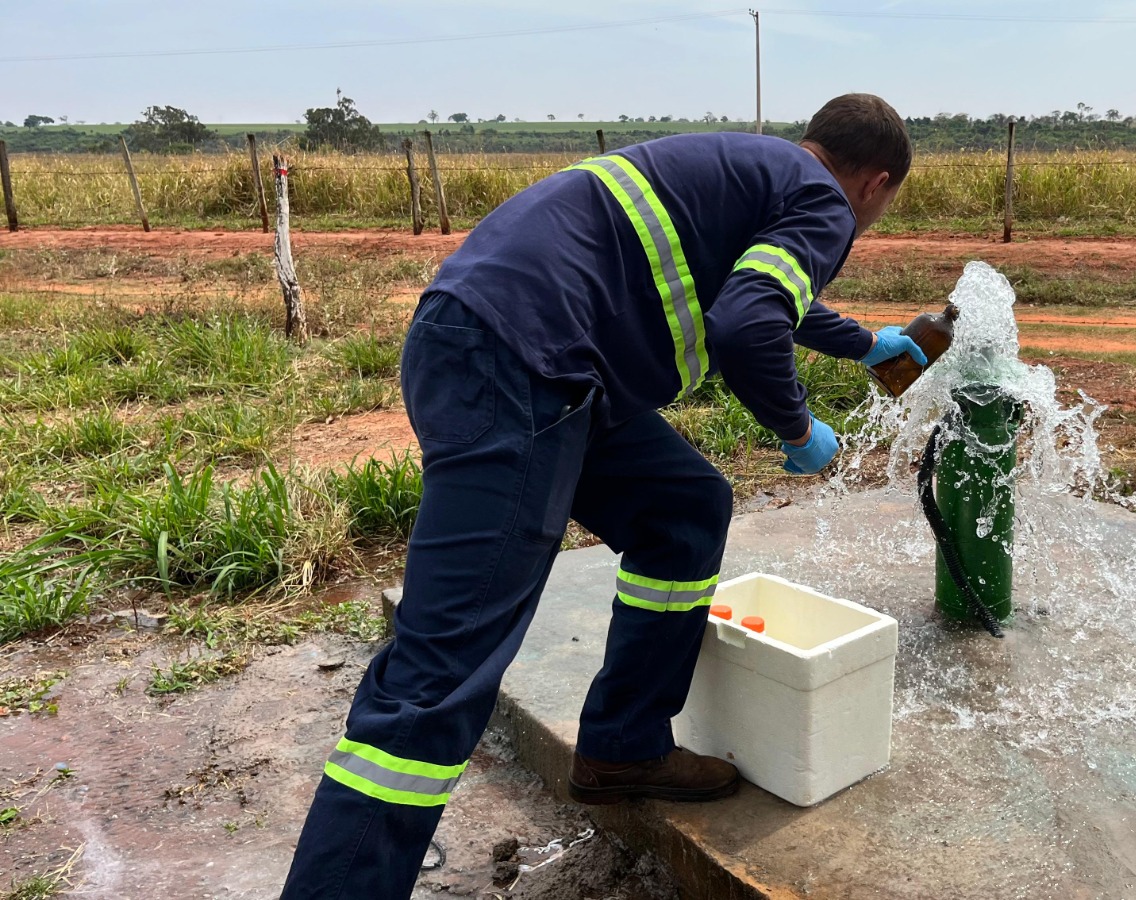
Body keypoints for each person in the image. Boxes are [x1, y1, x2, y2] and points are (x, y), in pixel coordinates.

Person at [280, 93, 926, 899]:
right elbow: (747, 324)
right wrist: (797, 430)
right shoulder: (826, 201)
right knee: (441, 673)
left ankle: (624, 744)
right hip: (521, 368)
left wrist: (864, 344)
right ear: (877, 183)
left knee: (684, 507)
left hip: (523, 352)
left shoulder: (756, 169)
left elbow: (755, 290)